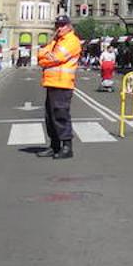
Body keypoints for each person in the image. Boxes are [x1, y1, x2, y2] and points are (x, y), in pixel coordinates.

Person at [38, 14, 81, 159]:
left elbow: (56, 58)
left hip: (63, 83)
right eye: (57, 25)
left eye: (62, 25)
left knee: (60, 115)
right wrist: (44, 56)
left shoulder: (71, 41)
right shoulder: (56, 41)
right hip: (52, 82)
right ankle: (54, 145)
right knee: (50, 116)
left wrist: (44, 56)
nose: (59, 28)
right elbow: (42, 55)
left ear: (69, 26)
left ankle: (67, 148)